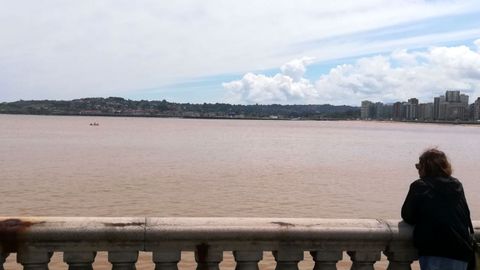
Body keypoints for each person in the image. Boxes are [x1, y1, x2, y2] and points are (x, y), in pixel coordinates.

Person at [401, 148, 474, 270]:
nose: (418, 170)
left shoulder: (419, 186)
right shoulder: (457, 185)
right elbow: (465, 214)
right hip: (461, 250)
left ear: (426, 167)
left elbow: (408, 216)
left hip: (434, 249)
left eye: (419, 166)